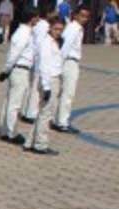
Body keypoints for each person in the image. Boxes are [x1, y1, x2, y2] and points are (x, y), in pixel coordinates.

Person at [25, 12, 63, 155]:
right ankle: (41, 144)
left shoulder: (54, 42)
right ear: (50, 28)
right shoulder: (46, 43)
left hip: (54, 78)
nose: (58, 32)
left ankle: (30, 141)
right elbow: (44, 66)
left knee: (43, 112)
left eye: (60, 29)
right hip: (49, 80)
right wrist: (47, 87)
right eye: (56, 29)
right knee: (46, 113)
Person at [0, 6, 34, 144]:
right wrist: (6, 70)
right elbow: (15, 53)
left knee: (10, 101)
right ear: (32, 18)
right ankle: (11, 132)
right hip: (20, 69)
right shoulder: (24, 33)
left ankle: (5, 129)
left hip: (16, 69)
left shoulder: (23, 31)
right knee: (15, 103)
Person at [52, 5, 86, 134]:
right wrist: (59, 64)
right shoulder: (73, 28)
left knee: (64, 92)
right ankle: (62, 122)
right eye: (82, 15)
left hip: (71, 61)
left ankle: (58, 119)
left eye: (86, 16)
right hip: (69, 62)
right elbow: (65, 47)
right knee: (68, 93)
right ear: (75, 15)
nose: (84, 19)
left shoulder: (76, 28)